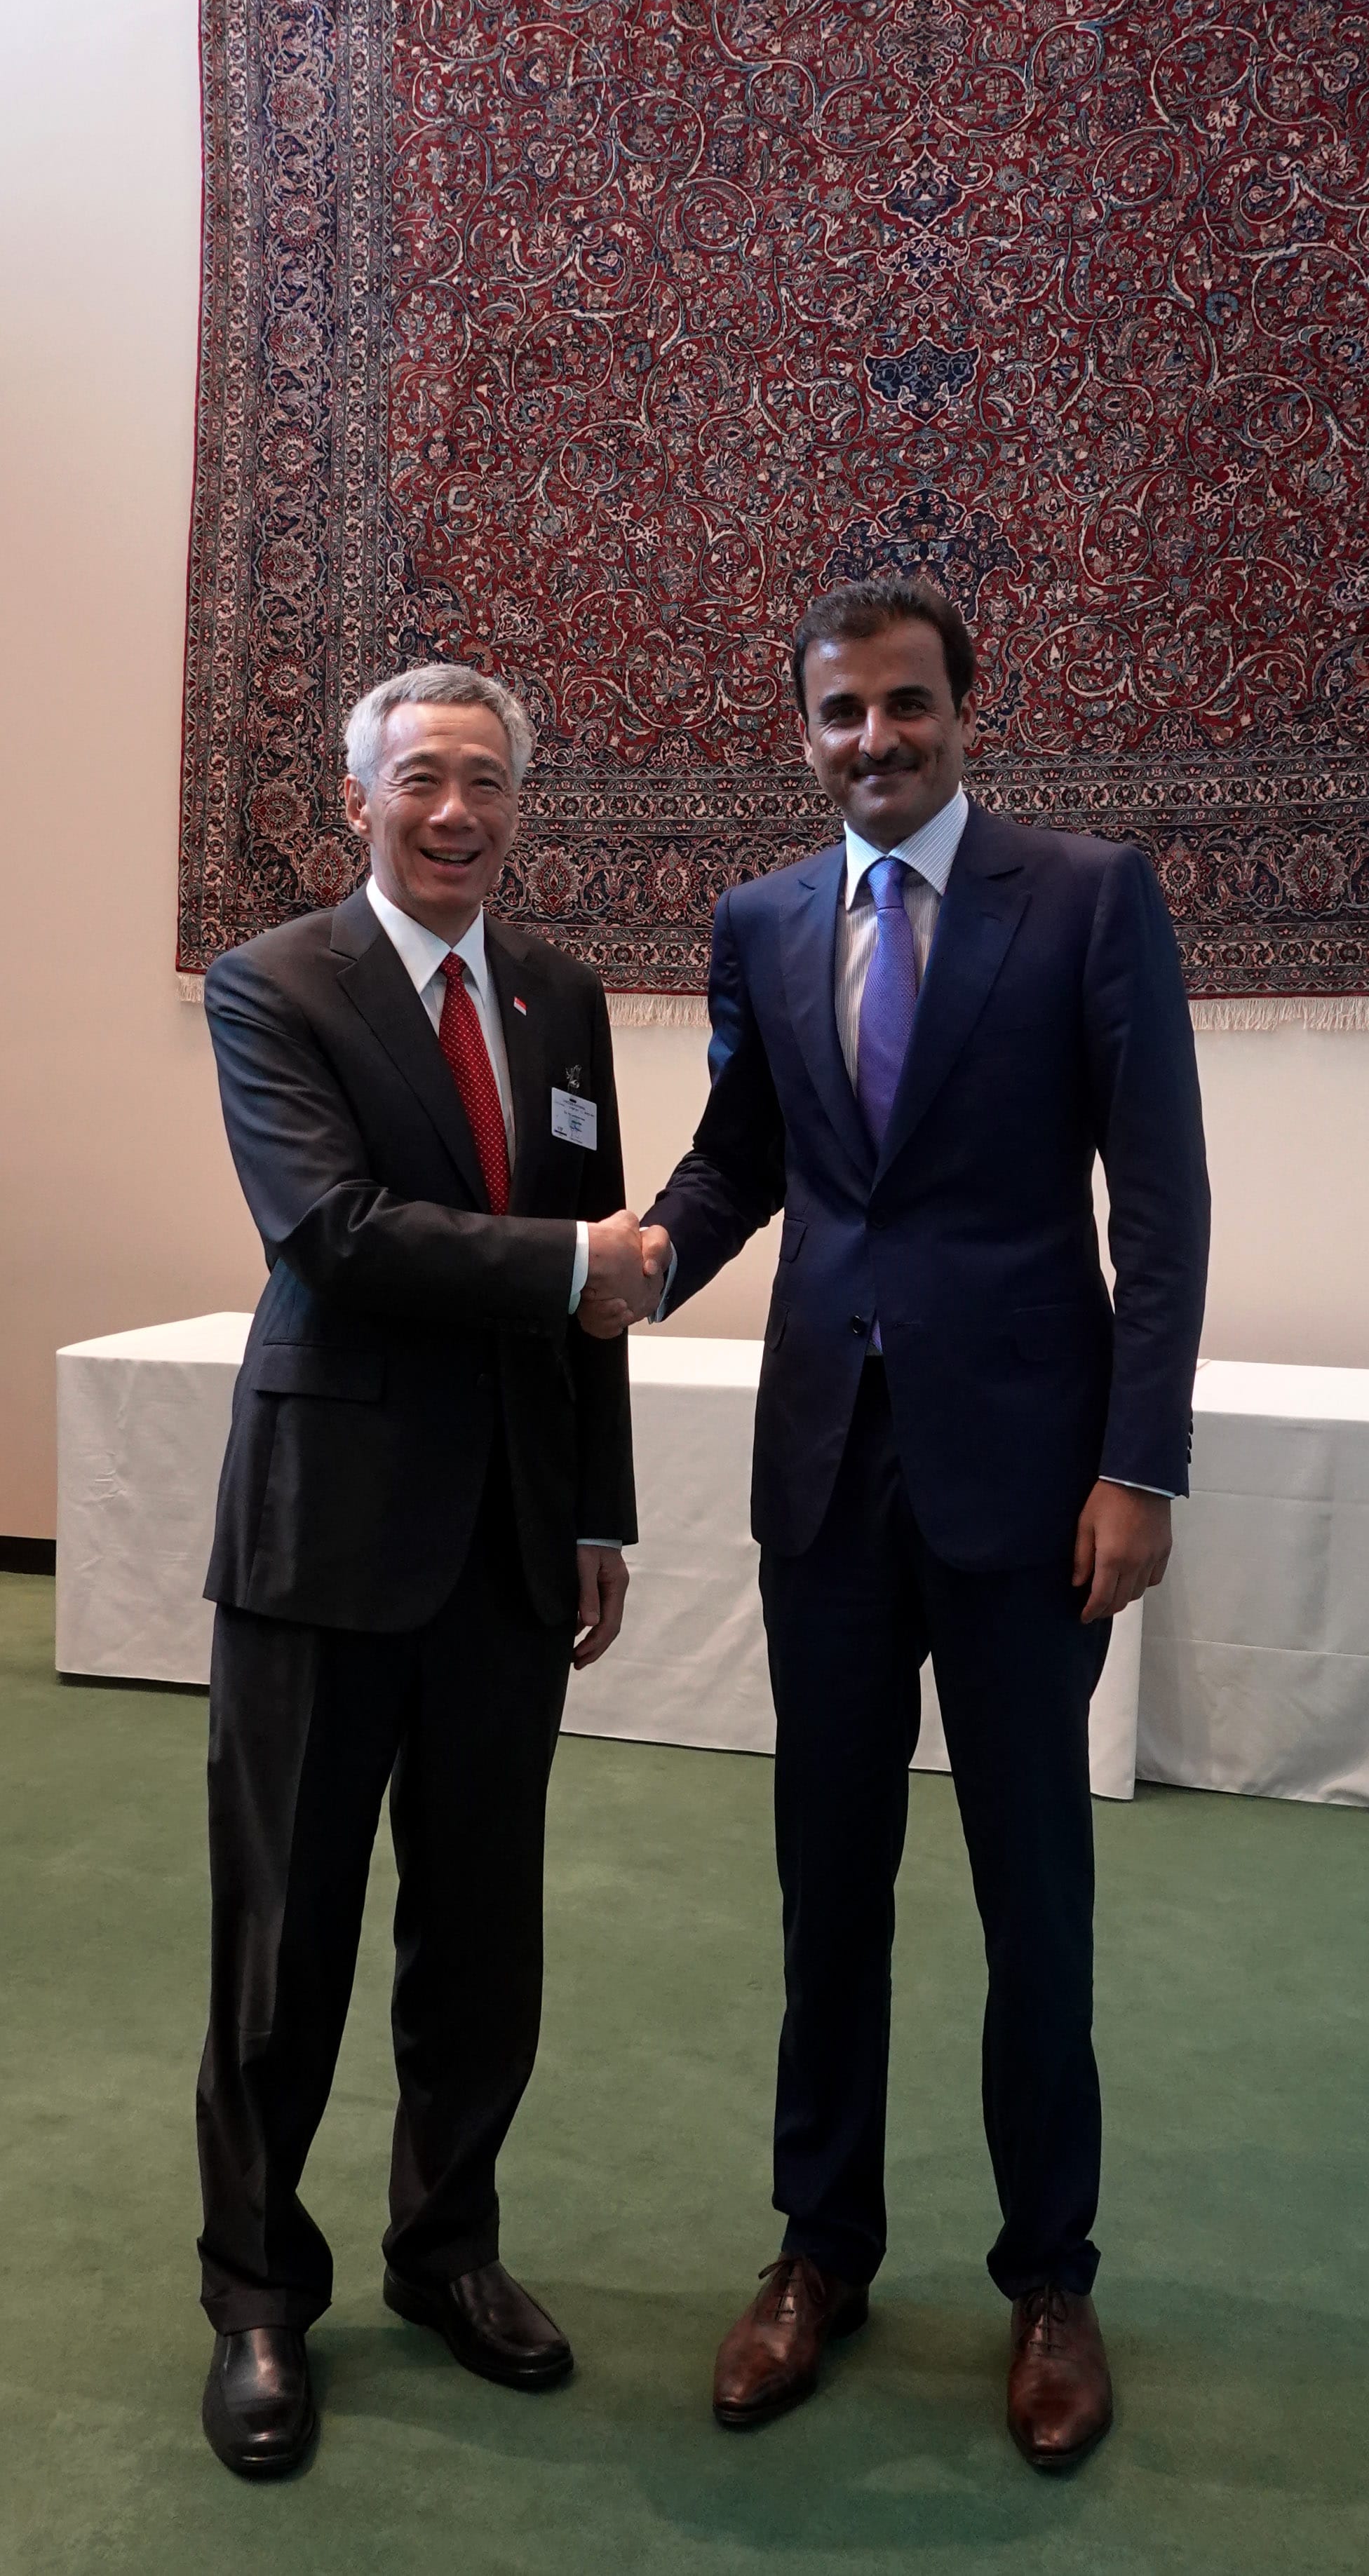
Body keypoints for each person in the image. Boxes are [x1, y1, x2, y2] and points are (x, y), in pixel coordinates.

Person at [592, 578, 1210, 2469]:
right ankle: (819, 2253)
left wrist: (1139, 1466)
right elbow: (746, 1160)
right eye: (841, 715)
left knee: (1035, 1894)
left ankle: (1049, 2280)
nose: (875, 739)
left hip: (1032, 1492)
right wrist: (646, 1259)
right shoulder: (761, 921)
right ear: (803, 734)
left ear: (965, 709)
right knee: (824, 1883)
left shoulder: (1089, 897)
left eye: (905, 706)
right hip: (827, 1483)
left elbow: (1161, 1207)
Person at [194, 662, 645, 2475]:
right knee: (281, 1943)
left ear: (516, 803)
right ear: (361, 795)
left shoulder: (558, 998)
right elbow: (333, 1229)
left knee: (481, 1940)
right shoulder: (273, 984)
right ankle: (253, 2297)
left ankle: (446, 2252)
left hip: (509, 1552)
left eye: (485, 785)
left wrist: (598, 1507)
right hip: (326, 1542)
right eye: (422, 783)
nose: (455, 814)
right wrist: (561, 1265)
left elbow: (596, 1289)